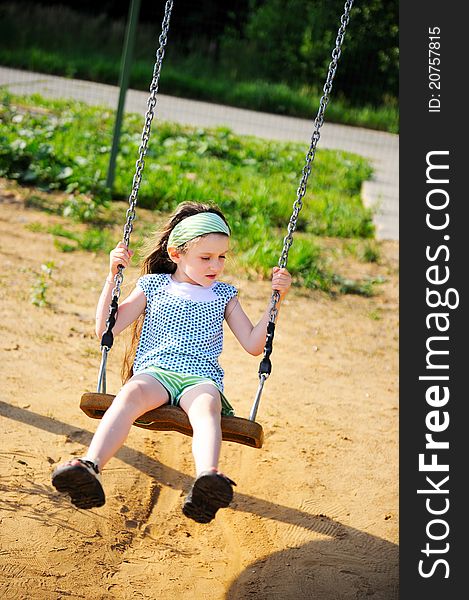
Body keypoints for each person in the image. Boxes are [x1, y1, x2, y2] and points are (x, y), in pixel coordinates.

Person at [52, 201, 292, 523]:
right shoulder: (153, 285)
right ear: (176, 253)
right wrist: (112, 277)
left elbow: (252, 344)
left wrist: (276, 301)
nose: (216, 265)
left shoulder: (224, 294)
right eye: (205, 258)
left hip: (200, 377)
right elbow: (107, 328)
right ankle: (90, 466)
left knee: (208, 408)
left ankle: (208, 479)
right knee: (129, 396)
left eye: (221, 257)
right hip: (156, 373)